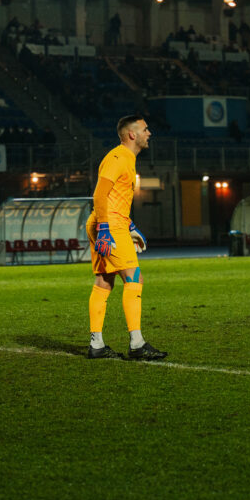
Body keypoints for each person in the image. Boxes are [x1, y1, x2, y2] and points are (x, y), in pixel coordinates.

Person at [85, 115, 167, 361]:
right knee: (134, 277)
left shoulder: (126, 159)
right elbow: (100, 195)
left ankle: (97, 345)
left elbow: (114, 198)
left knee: (104, 282)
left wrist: (130, 224)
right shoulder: (118, 157)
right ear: (132, 134)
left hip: (112, 223)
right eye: (145, 129)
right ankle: (137, 344)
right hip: (108, 224)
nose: (149, 133)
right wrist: (105, 229)